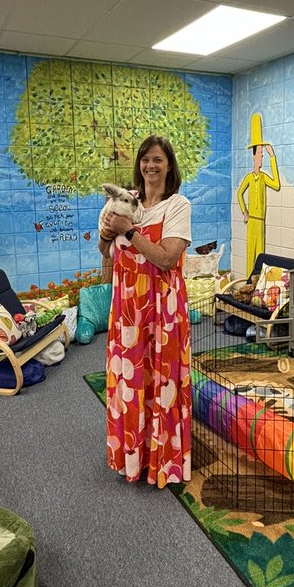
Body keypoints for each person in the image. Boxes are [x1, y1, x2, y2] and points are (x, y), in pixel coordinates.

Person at [99, 135, 192, 488]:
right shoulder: (128, 201)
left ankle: (162, 462)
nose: (150, 166)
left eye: (157, 160)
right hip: (127, 310)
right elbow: (105, 250)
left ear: (169, 165)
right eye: (145, 160)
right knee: (131, 382)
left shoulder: (178, 206)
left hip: (162, 312)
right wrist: (108, 233)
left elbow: (167, 259)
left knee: (162, 383)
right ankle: (133, 457)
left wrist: (129, 231)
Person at [235, 113, 280, 276]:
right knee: (249, 254)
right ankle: (247, 283)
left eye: (262, 154)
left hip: (260, 221)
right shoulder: (249, 177)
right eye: (260, 154)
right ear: (254, 156)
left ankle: (257, 284)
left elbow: (276, 184)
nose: (262, 158)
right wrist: (244, 211)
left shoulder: (263, 178)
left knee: (260, 256)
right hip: (252, 220)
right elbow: (239, 194)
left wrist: (273, 157)